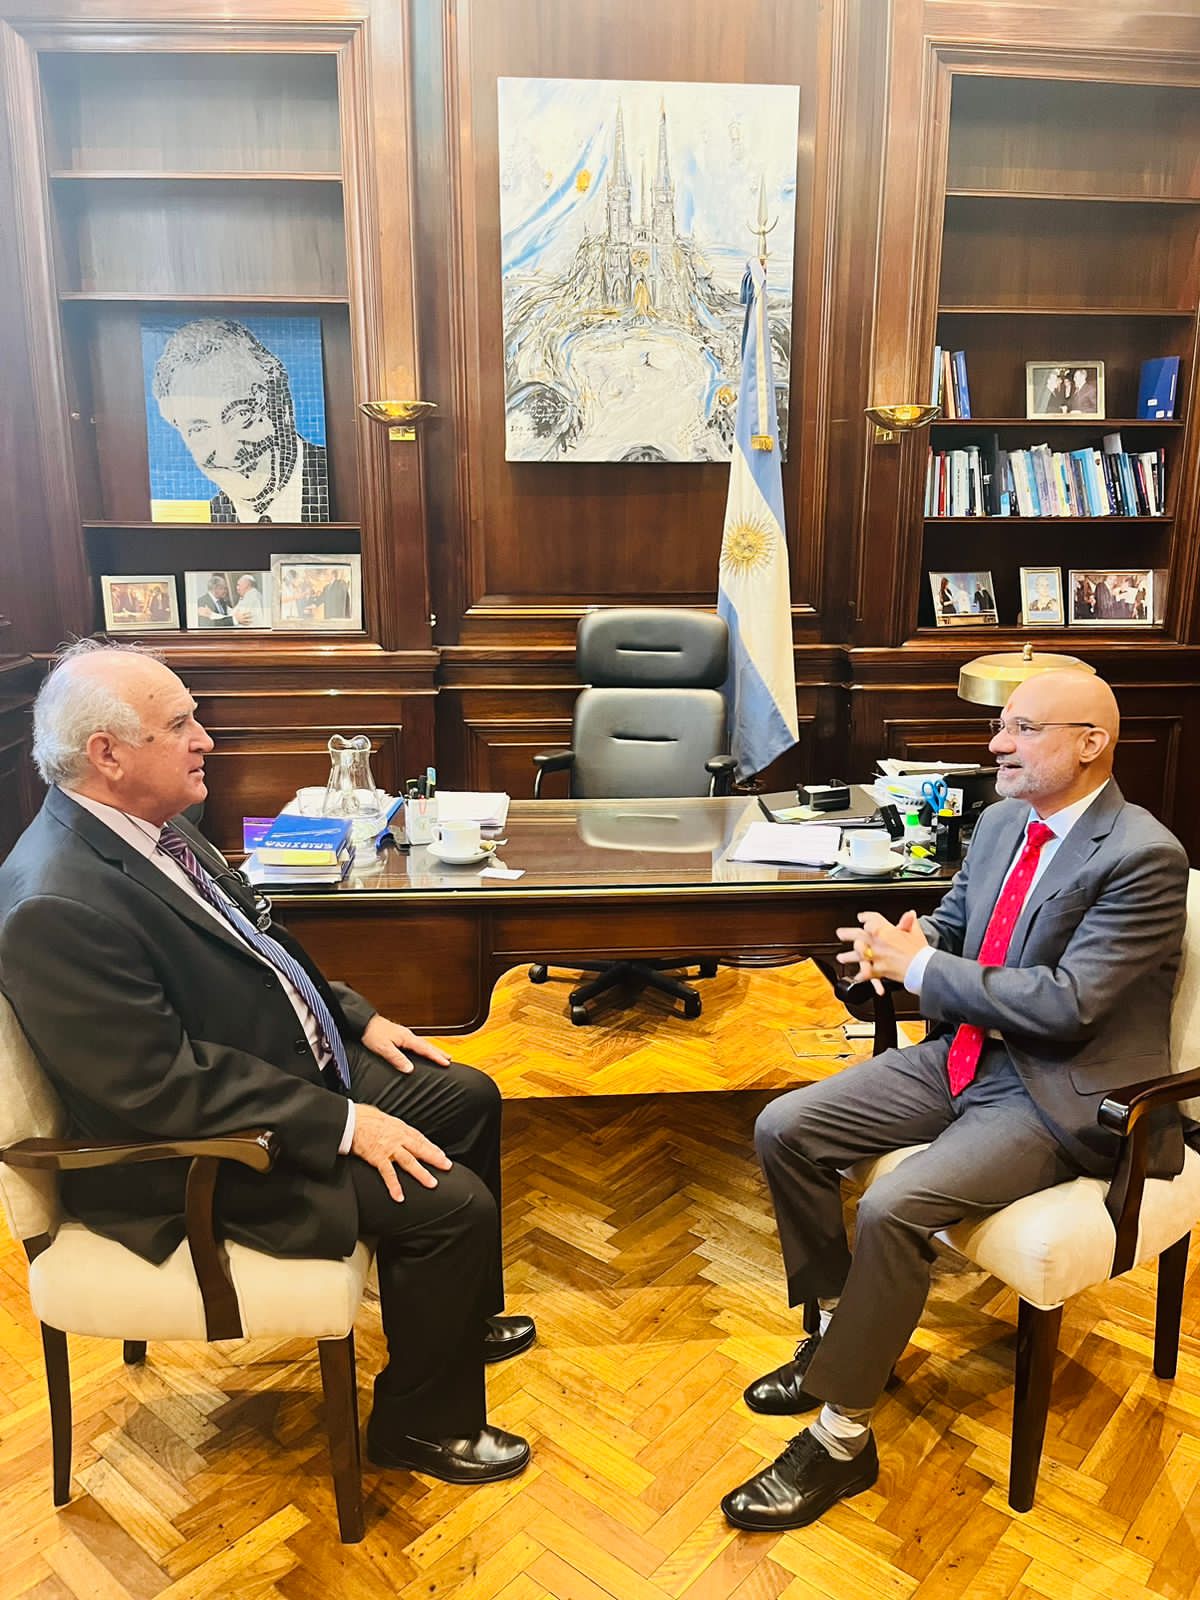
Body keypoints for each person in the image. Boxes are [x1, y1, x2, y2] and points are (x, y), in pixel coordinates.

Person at [0, 640, 535, 1486]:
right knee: (450, 1204)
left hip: (263, 1070)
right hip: (190, 1158)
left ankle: (456, 1322)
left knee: (464, 1096)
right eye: (180, 724)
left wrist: (356, 1017)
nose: (205, 739)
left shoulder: (150, 826)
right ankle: (419, 1428)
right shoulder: (56, 904)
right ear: (107, 754)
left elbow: (257, 946)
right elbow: (156, 1086)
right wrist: (346, 1123)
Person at [721, 669, 1188, 1532]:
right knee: (786, 1127)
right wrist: (906, 943)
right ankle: (843, 1335)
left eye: (1022, 729)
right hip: (967, 1053)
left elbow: (1070, 1003)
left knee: (893, 1206)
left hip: (1057, 1088)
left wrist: (926, 967)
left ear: (1091, 743)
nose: (997, 745)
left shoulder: (1143, 856)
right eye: (1002, 726)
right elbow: (958, 920)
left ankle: (841, 1439)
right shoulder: (1005, 821)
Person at [152, 319, 330, 524]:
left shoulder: (347, 481)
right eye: (199, 429)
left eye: (241, 415)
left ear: (282, 402)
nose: (228, 454)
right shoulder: (206, 520)